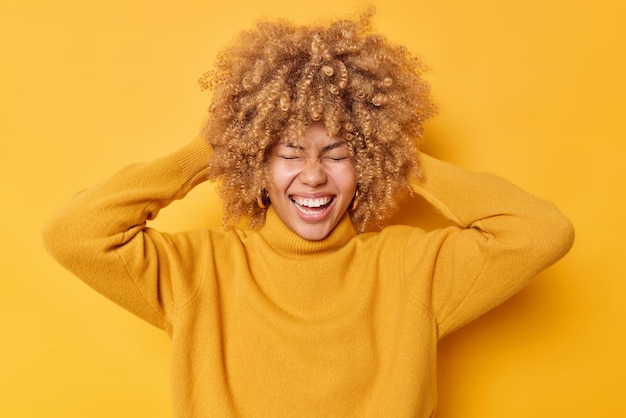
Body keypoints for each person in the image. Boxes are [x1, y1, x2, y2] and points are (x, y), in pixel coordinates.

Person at [43, 9, 575, 417]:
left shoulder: (415, 267)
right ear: (256, 163)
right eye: (289, 153)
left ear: (365, 163)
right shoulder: (197, 270)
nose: (315, 175)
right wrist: (210, 150)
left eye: (339, 154)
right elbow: (74, 235)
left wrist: (399, 154)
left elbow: (541, 232)